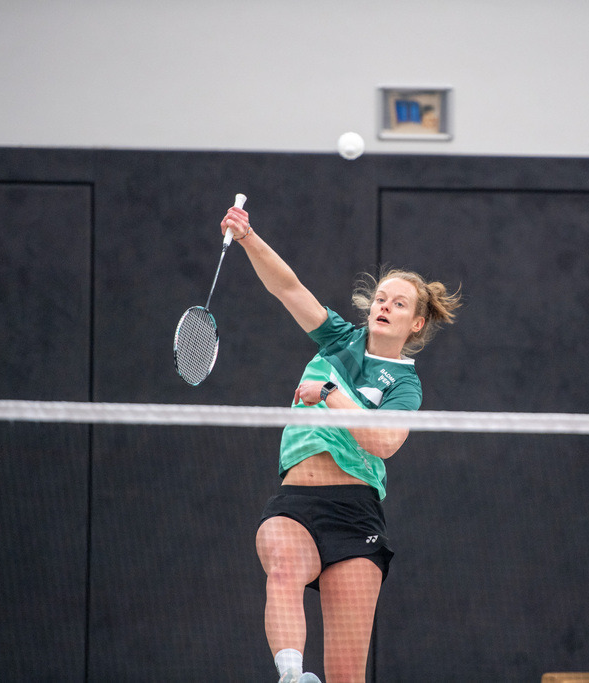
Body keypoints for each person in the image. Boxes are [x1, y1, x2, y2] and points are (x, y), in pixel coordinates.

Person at [220, 204, 461, 683]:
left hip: (355, 514)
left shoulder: (405, 385)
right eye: (380, 299)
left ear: (416, 323)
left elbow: (384, 442)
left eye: (398, 304)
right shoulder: (338, 340)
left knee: (347, 675)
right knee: (283, 568)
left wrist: (330, 394)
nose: (384, 306)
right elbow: (288, 288)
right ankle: (292, 676)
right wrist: (247, 237)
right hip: (296, 502)